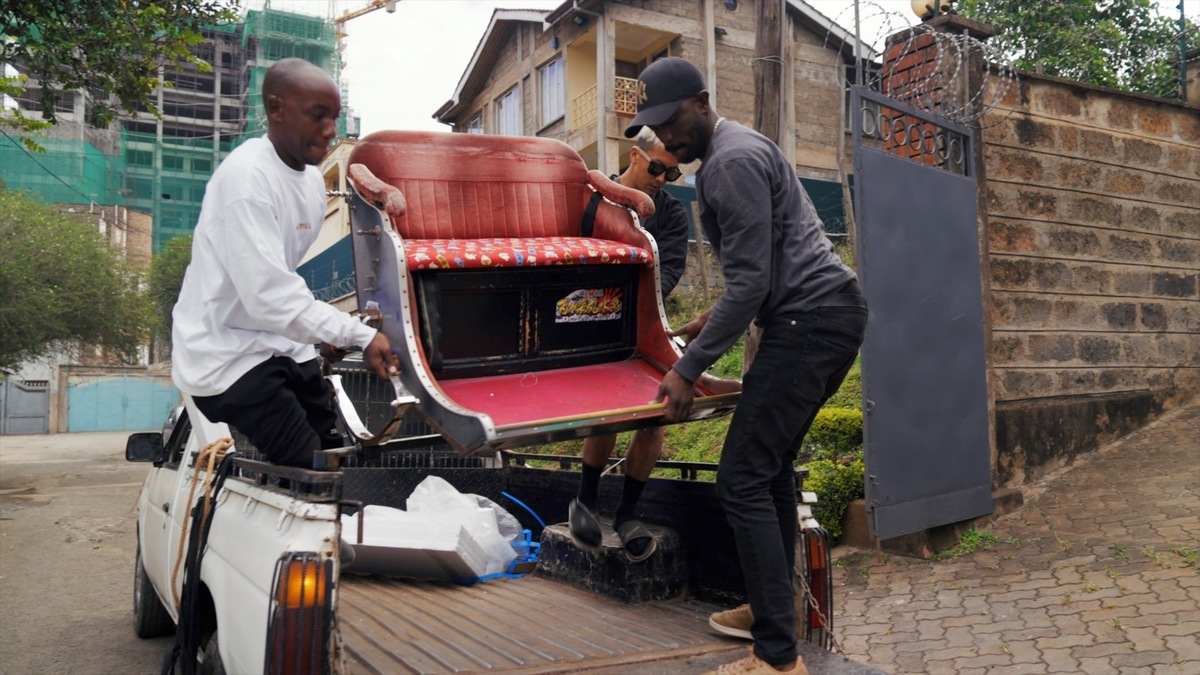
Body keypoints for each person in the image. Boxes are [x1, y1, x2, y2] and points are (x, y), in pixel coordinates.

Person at [627, 57, 868, 675]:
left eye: (673, 119)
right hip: (825, 315)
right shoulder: (738, 148)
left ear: (702, 102)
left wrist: (686, 370)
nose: (666, 136)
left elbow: (755, 281)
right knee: (770, 469)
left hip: (808, 323)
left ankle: (777, 661)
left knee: (740, 478)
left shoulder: (728, 164)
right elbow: (762, 271)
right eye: (655, 126)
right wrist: (707, 322)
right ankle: (772, 611)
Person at [171, 57, 399, 469]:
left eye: (335, 116)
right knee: (308, 464)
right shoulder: (246, 180)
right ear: (275, 109)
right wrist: (358, 335)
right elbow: (268, 296)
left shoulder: (311, 181)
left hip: (279, 342)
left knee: (332, 448)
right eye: (317, 116)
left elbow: (283, 277)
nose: (331, 130)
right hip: (225, 352)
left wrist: (319, 331)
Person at [568, 129, 691, 563]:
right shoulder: (594, 197)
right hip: (592, 316)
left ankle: (627, 514)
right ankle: (584, 500)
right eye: (657, 167)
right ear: (635, 155)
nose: (662, 178)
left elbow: (672, 269)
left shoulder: (673, 215)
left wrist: (642, 301)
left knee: (654, 417)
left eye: (672, 173)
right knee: (607, 413)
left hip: (646, 321)